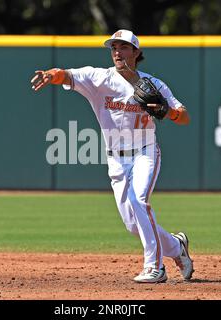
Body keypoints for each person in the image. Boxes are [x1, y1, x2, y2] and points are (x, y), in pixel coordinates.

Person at [31, 29, 194, 283]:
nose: (117, 52)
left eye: (124, 47)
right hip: (116, 158)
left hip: (145, 152)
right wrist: (50, 75)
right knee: (133, 224)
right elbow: (66, 75)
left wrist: (168, 112)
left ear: (137, 53)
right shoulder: (99, 79)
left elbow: (183, 116)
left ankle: (155, 267)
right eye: (114, 47)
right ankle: (176, 246)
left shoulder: (153, 84)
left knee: (139, 201)